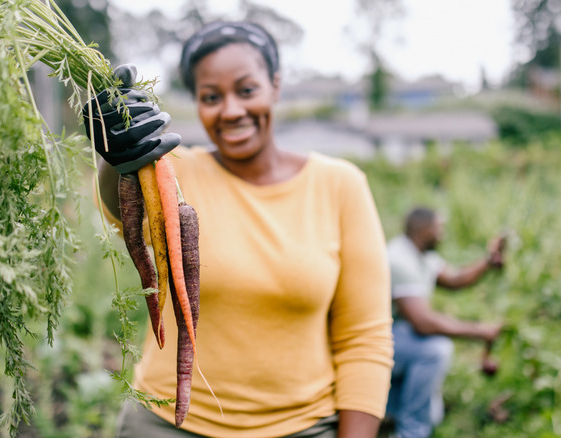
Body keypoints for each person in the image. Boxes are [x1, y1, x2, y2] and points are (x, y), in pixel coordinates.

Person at [85, 21, 393, 438]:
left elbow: (365, 337)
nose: (231, 110)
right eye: (211, 97)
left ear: (275, 86)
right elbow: (122, 211)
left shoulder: (339, 184)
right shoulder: (173, 171)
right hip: (165, 423)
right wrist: (116, 156)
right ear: (196, 101)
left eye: (246, 90)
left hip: (303, 426)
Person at [384, 207, 506, 438]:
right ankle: (410, 433)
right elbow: (423, 323)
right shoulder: (398, 259)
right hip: (375, 340)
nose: (443, 234)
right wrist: (479, 331)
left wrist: (488, 262)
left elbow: (454, 280)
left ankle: (391, 411)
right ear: (424, 230)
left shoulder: (422, 254)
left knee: (433, 416)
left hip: (398, 340)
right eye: (439, 228)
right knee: (435, 350)